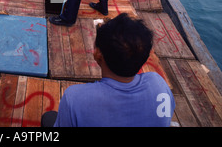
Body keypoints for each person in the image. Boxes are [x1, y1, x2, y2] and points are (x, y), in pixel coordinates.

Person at [42, 13, 175, 127]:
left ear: (98, 55)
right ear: (144, 58)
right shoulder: (159, 84)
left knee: (48, 118)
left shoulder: (75, 98)